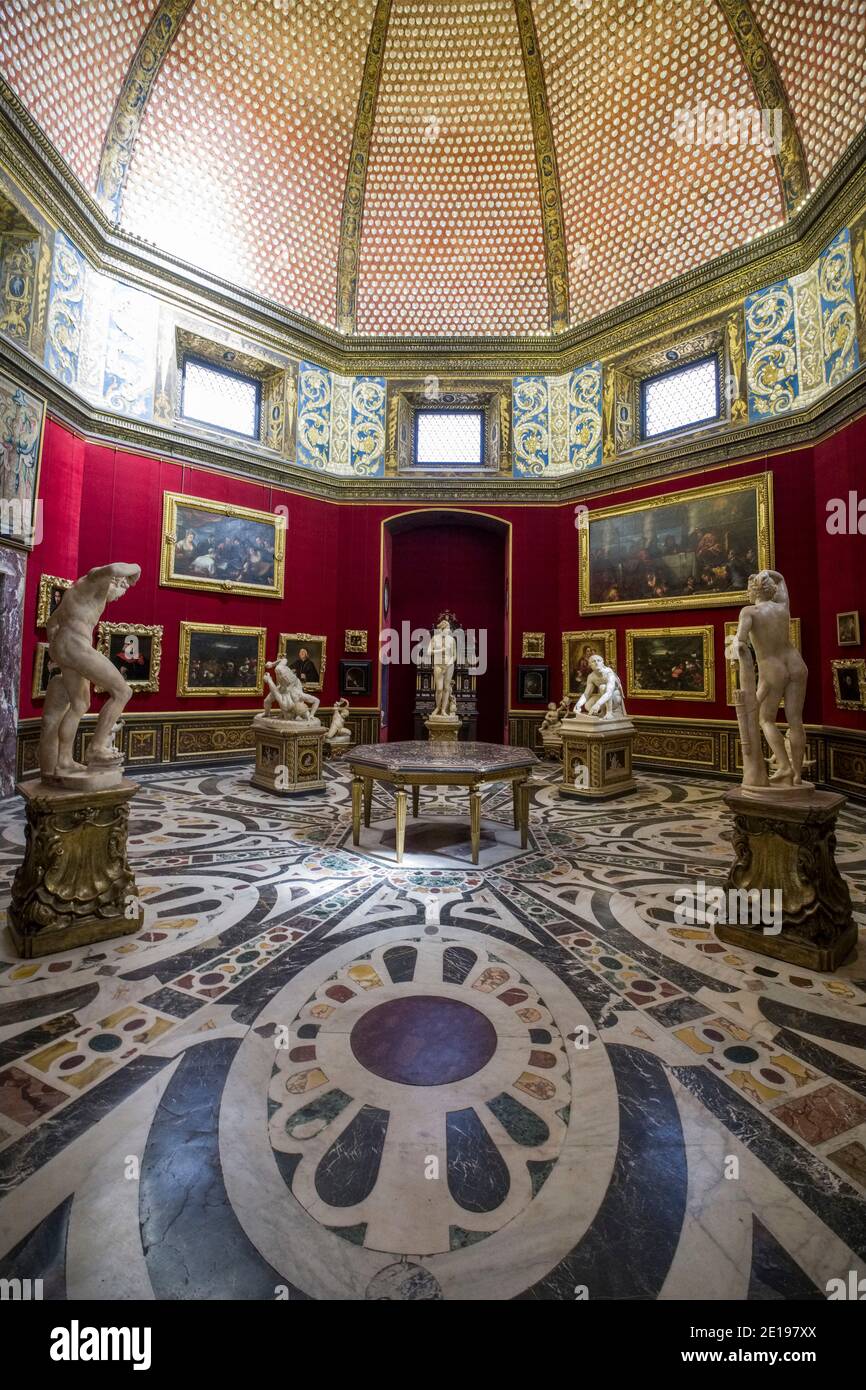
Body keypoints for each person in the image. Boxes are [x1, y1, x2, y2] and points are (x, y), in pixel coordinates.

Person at [40, 562, 141, 780]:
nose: (118, 597)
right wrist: (137, 568)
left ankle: (64, 761)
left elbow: (51, 622)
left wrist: (57, 650)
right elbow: (114, 568)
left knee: (79, 704)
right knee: (123, 692)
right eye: (122, 591)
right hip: (75, 645)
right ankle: (96, 748)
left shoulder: (79, 592)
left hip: (66, 646)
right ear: (117, 582)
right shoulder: (95, 579)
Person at [729, 569, 807, 785]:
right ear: (770, 590)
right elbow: (781, 578)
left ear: (751, 590)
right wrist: (767, 572)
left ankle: (784, 766)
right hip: (796, 664)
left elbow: (741, 641)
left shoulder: (749, 612)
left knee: (766, 719)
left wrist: (735, 646)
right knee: (796, 721)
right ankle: (798, 776)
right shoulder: (782, 607)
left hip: (772, 668)